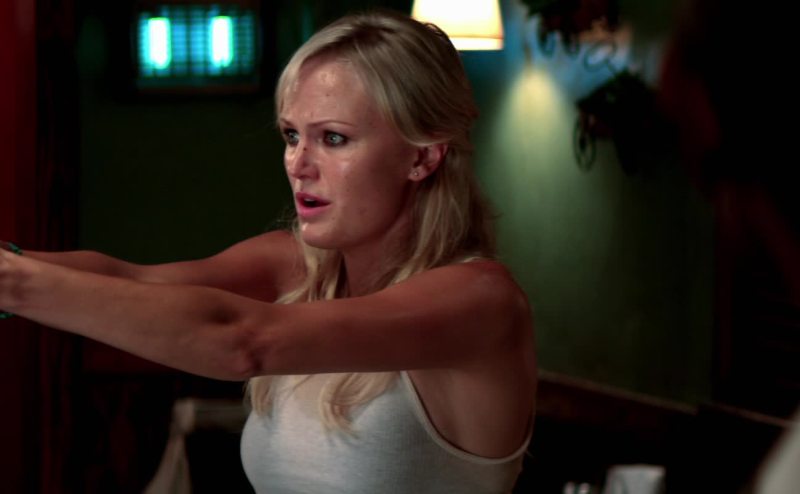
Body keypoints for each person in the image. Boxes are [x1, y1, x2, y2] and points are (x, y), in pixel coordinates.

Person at [0, 10, 536, 493]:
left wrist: (14, 284)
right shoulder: (295, 267)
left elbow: (243, 342)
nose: (298, 164)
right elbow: (133, 281)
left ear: (422, 158)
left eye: (333, 138)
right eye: (291, 135)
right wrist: (12, 262)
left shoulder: (481, 301)